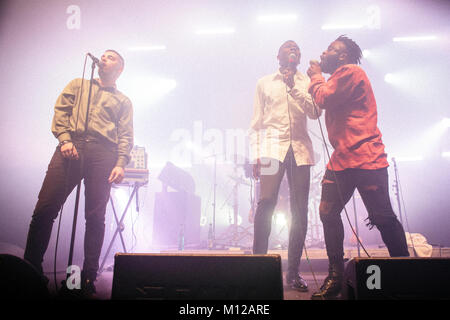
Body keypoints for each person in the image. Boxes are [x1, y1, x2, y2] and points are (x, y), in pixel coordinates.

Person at [23, 50, 133, 297]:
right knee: (45, 209)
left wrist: (120, 163)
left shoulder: (123, 101)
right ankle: (30, 270)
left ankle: (87, 278)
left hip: (103, 153)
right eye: (103, 55)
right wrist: (64, 139)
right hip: (71, 146)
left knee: (95, 217)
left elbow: (125, 135)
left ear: (120, 69)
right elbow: (61, 111)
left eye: (111, 57)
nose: (104, 58)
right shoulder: (78, 84)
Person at [307, 35, 409, 299]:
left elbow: (324, 97)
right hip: (343, 159)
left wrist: (316, 75)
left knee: (382, 217)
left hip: (366, 158)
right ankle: (335, 276)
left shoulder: (351, 71)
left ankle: (409, 271)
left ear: (341, 56)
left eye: (329, 49)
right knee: (328, 213)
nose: (323, 52)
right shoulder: (341, 74)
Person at [249, 40, 322, 291]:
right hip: (271, 147)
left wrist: (293, 88)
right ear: (278, 55)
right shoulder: (264, 83)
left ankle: (293, 273)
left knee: (299, 209)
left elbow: (314, 112)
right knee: (266, 201)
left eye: (297, 48)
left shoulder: (305, 82)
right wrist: (255, 154)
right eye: (288, 46)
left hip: (300, 149)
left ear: (299, 58)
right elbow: (257, 122)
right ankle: (258, 267)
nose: (294, 49)